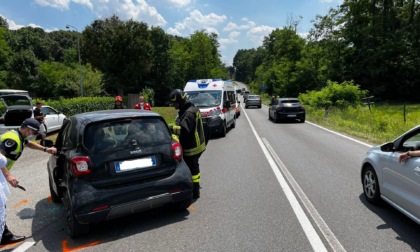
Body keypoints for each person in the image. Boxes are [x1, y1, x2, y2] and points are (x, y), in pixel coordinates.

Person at [0, 118, 57, 245]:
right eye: (33, 132)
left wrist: (45, 149)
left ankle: (4, 235)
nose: (33, 135)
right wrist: (8, 176)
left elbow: (27, 143)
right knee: (0, 206)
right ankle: (4, 236)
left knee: (1, 205)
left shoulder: (18, 136)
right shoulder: (13, 140)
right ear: (27, 129)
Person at [169, 89, 206, 199]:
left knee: (193, 169)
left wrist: (170, 129)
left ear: (180, 101)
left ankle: (195, 191)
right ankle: (194, 187)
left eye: (175, 104)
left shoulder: (189, 113)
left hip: (192, 147)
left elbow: (184, 130)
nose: (174, 106)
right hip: (196, 144)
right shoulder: (191, 108)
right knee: (193, 167)